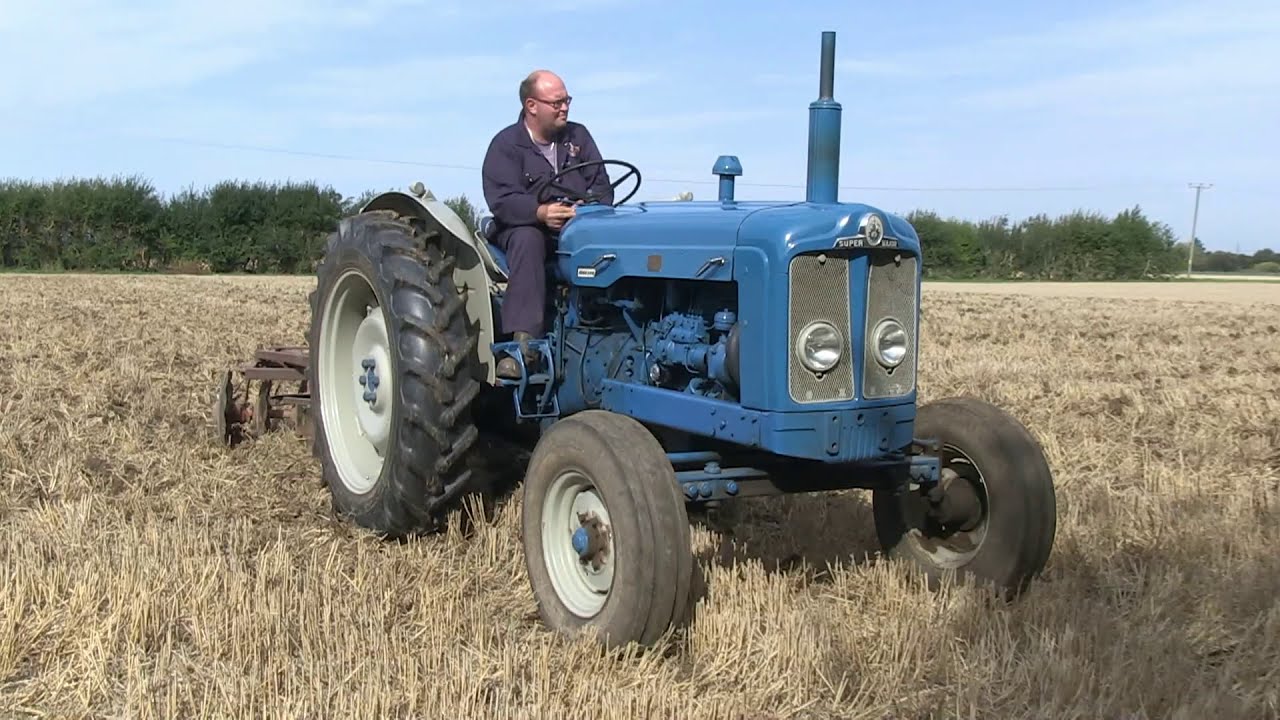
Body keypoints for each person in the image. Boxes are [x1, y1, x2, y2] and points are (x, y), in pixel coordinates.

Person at [482, 69, 613, 379]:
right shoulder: (506, 145)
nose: (565, 108)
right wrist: (540, 212)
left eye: (566, 100)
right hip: (522, 226)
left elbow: (602, 186)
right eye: (557, 102)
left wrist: (587, 207)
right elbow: (501, 199)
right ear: (532, 106)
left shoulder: (578, 138)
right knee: (529, 239)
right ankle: (523, 346)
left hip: (575, 226)